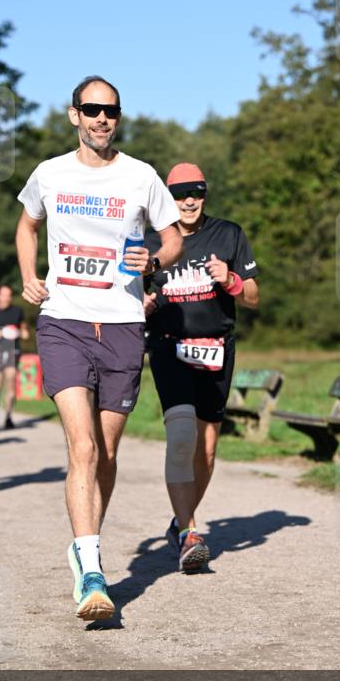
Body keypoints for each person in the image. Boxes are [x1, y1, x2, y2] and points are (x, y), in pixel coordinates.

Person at [16, 75, 183, 621]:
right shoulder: (50, 173)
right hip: (63, 321)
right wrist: (28, 276)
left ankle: (85, 542)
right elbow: (27, 225)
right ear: (74, 115)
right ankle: (91, 569)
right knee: (83, 448)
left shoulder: (141, 176)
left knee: (106, 455)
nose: (101, 119)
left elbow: (174, 234)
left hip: (121, 326)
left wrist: (154, 261)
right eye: (91, 109)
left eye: (110, 110)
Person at [144, 162, 260, 572]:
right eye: (179, 194)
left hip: (216, 350)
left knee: (206, 451)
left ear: (205, 194)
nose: (189, 200)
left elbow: (253, 297)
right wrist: (141, 304)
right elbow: (125, 294)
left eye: (196, 192)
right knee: (180, 437)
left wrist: (229, 279)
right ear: (167, 198)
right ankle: (191, 533)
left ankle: (178, 524)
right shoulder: (149, 239)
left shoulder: (228, 234)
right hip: (168, 348)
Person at [0, 284, 30, 428]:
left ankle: (8, 416)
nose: (6, 298)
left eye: (8, 295)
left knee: (11, 382)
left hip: (12, 350)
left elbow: (24, 329)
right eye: (3, 294)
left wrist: (23, 333)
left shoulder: (17, 311)